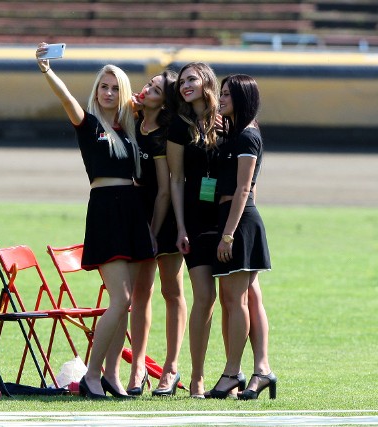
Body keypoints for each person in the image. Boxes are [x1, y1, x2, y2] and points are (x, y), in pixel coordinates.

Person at [36, 43, 154, 399]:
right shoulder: (87, 124)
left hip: (132, 210)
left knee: (129, 301)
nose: (108, 92)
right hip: (105, 209)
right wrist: (47, 70)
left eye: (116, 87)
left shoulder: (130, 127)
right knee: (120, 299)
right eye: (104, 86)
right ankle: (92, 373)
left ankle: (112, 375)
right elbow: (66, 98)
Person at [166, 61, 241, 398]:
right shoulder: (179, 127)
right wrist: (180, 225)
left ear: (207, 81)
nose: (185, 86)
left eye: (191, 79)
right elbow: (176, 179)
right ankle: (196, 378)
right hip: (195, 222)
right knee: (205, 297)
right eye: (182, 81)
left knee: (231, 299)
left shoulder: (229, 123)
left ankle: (232, 375)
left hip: (225, 218)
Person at [206, 74, 275, 399]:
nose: (221, 99)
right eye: (221, 94)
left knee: (234, 300)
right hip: (233, 219)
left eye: (227, 95)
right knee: (244, 298)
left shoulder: (248, 135)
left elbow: (245, 188)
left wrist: (230, 235)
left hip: (238, 221)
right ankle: (261, 370)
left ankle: (232, 372)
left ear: (243, 98)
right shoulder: (235, 134)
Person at [127, 70, 187, 397]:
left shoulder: (165, 134)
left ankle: (171, 368)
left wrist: (153, 230)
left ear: (165, 100)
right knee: (140, 294)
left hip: (160, 220)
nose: (147, 88)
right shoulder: (132, 120)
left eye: (156, 88)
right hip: (135, 217)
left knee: (171, 291)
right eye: (149, 83)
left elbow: (165, 190)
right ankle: (138, 366)